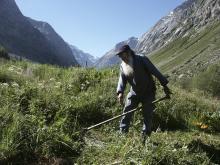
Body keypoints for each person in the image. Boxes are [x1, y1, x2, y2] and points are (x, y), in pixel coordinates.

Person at [116, 44, 171, 140]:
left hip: (148, 92)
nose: (121, 57)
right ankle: (122, 135)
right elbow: (122, 79)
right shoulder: (123, 65)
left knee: (147, 115)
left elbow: (154, 71)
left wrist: (164, 84)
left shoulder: (141, 59)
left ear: (128, 53)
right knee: (127, 112)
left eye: (123, 55)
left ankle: (145, 138)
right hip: (134, 93)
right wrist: (120, 92)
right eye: (120, 56)